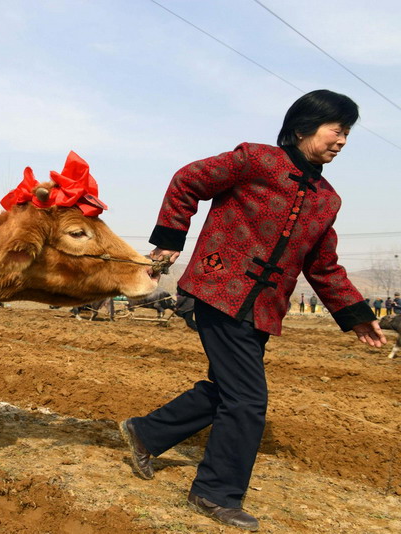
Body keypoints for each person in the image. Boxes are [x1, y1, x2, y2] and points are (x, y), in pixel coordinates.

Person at [118, 90, 385, 532]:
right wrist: (170, 237)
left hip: (262, 309)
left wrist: (357, 315)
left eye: (347, 134)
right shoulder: (256, 160)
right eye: (336, 130)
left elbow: (323, 266)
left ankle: (146, 432)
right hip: (216, 290)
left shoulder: (327, 199)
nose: (342, 141)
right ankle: (215, 493)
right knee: (247, 399)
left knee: (229, 389)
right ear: (303, 127)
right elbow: (188, 180)